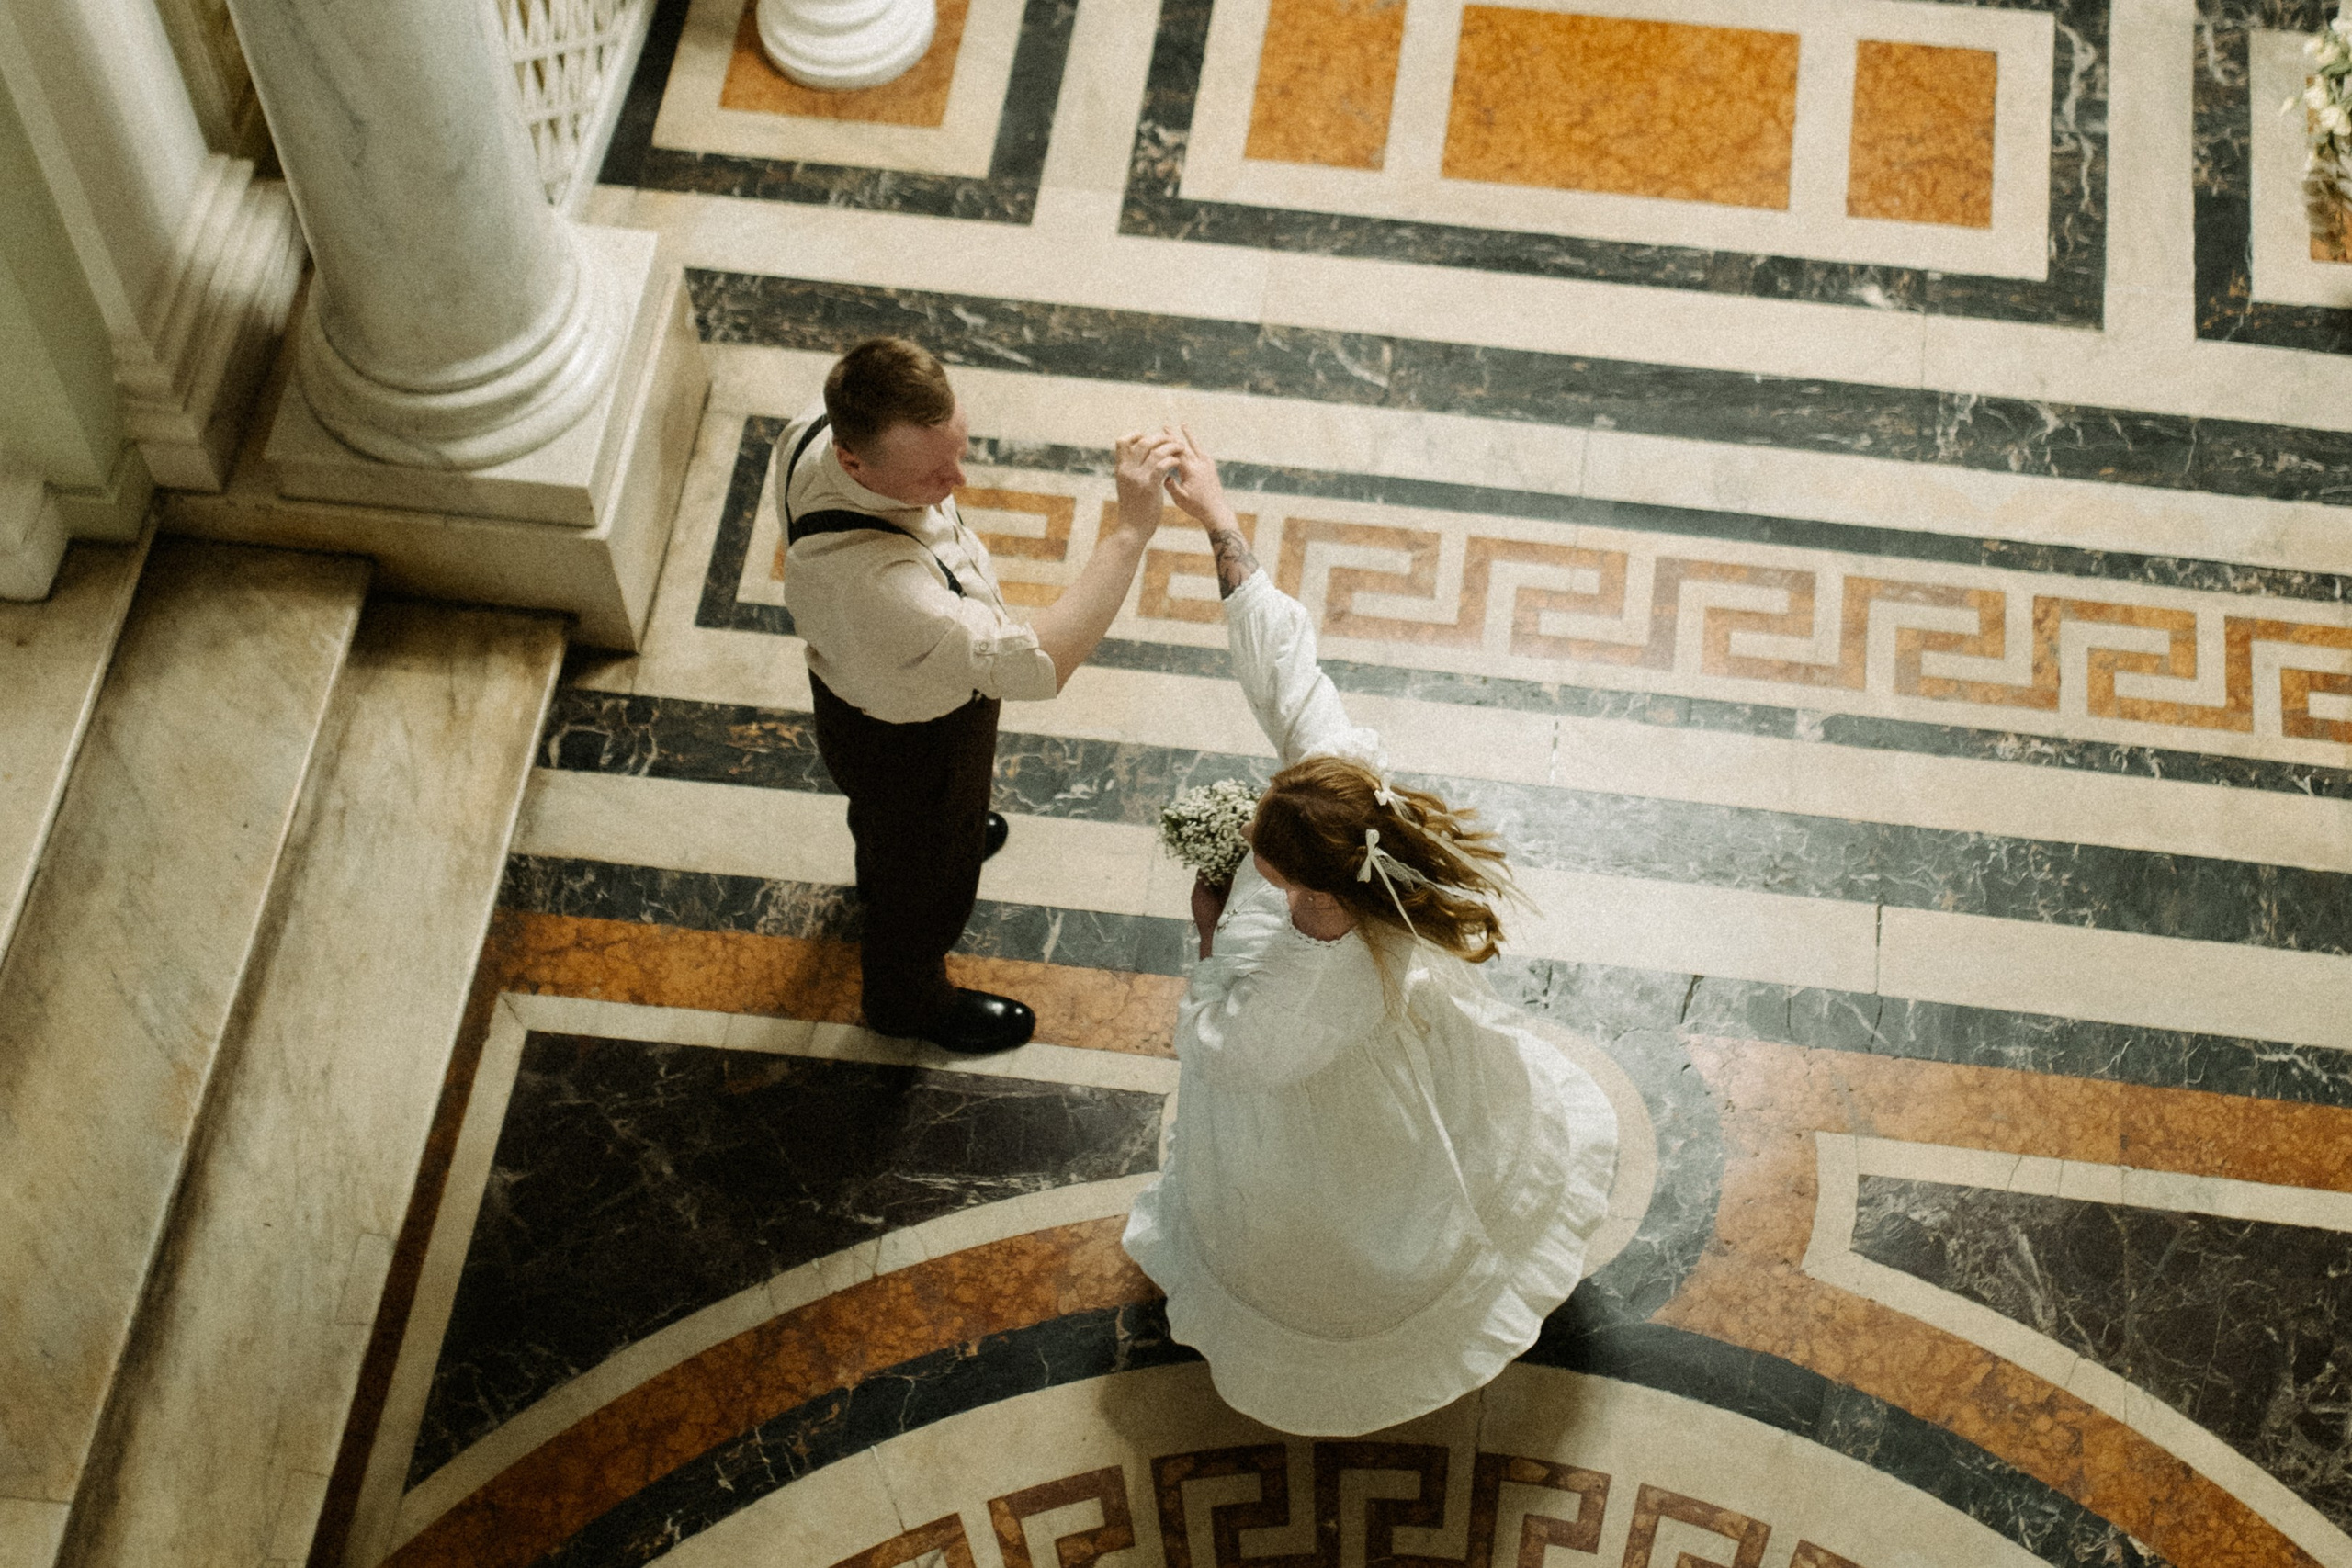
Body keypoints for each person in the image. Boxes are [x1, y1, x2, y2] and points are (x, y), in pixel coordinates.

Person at [1121, 428, 1620, 1435]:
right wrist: (1216, 519)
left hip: (1326, 1118)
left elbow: (1233, 1057)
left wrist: (1212, 933)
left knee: (1360, 1220)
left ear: (1314, 891)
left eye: (1264, 853)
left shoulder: (1307, 980)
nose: (1256, 841)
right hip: (1409, 1039)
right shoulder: (1350, 793)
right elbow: (1284, 669)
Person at [776, 338, 1181, 1054]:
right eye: (935, 472)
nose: (958, 478)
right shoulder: (884, 589)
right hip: (916, 733)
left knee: (888, 824)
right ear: (853, 461)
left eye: (959, 450)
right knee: (928, 881)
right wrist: (1128, 533)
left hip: (855, 698)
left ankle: (890, 871)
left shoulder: (816, 422)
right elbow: (1036, 668)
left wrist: (929, 476)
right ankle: (905, 998)